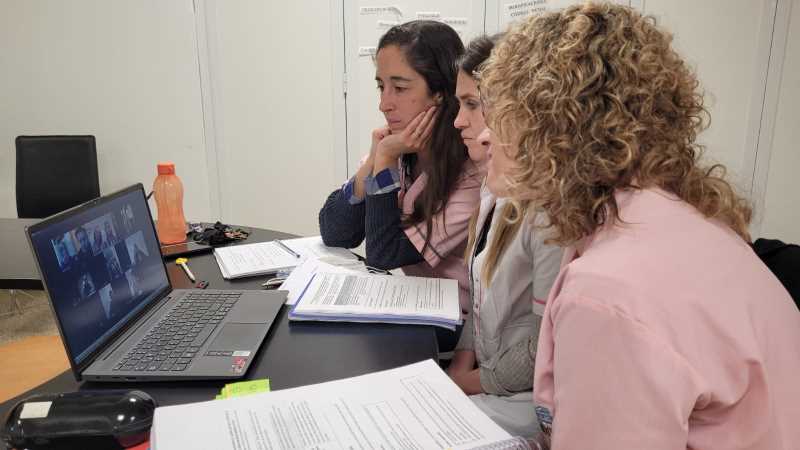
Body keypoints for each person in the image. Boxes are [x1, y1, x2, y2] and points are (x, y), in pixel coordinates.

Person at [480, 3, 800, 447]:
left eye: (500, 117)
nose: (484, 136)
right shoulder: (692, 224)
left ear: (556, 132)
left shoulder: (606, 290)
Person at [319, 20, 483, 350]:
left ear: (440, 93)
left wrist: (385, 158)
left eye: (400, 88)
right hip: (413, 303)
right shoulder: (398, 148)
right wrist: (373, 161)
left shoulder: (472, 173)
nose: (384, 103)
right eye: (381, 87)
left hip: (458, 325)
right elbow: (336, 231)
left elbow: (383, 254)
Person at [446, 35, 562, 438]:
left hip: (525, 400)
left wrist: (467, 383)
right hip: (489, 383)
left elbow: (545, 344)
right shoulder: (492, 188)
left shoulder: (547, 213)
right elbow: (477, 300)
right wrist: (459, 366)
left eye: (472, 104)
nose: (459, 121)